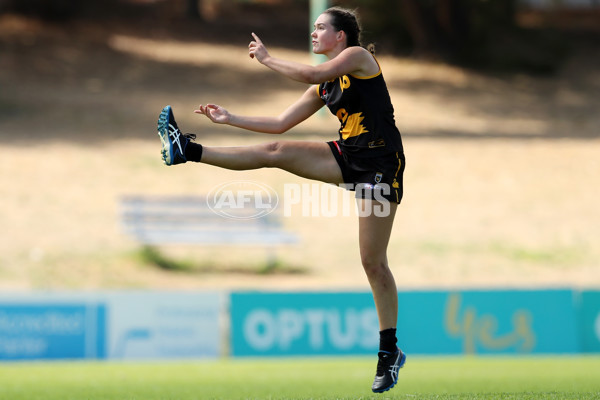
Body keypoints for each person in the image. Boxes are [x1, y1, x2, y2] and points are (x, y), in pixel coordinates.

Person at [157, 6, 406, 393]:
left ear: (341, 36)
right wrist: (230, 118)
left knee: (372, 262)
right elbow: (279, 123)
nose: (314, 32)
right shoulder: (323, 88)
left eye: (321, 27)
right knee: (275, 149)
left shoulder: (359, 58)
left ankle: (389, 352)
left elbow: (312, 71)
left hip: (380, 163)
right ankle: (187, 149)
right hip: (348, 155)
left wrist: (268, 59)